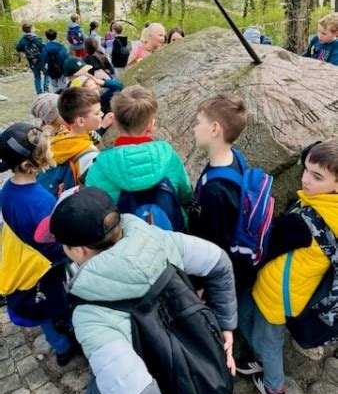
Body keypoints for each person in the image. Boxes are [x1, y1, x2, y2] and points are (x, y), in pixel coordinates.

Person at [45, 186, 237, 394]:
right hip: (196, 375)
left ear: (79, 250)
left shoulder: (91, 314)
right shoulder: (161, 239)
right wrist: (225, 325)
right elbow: (219, 263)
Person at [237, 139, 338, 394]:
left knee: (269, 339)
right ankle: (260, 357)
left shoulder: (303, 224)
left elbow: (267, 249)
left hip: (277, 294)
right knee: (244, 311)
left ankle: (275, 388)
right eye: (305, 169)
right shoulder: (330, 210)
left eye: (317, 177)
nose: (305, 179)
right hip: (295, 289)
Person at [0, 123, 74, 365]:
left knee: (43, 314)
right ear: (28, 164)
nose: (51, 151)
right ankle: (66, 344)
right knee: (52, 302)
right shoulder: (40, 201)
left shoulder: (7, 190)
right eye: (46, 150)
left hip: (25, 260)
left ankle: (59, 345)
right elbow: (52, 241)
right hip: (45, 266)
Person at [85, 85, 192, 226]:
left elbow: (94, 212)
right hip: (173, 235)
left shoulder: (98, 168)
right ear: (151, 124)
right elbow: (186, 195)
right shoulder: (169, 157)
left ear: (115, 122)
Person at [189, 95, 256, 292]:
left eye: (198, 122)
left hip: (218, 275)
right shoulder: (235, 156)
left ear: (215, 129)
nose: (194, 128)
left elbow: (214, 246)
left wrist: (202, 286)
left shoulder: (215, 191)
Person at [48, 88, 101, 188]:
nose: (101, 115)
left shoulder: (59, 139)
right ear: (80, 121)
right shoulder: (90, 155)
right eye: (97, 113)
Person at [16, 22, 49, 95]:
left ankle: (39, 93)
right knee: (47, 73)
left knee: (37, 76)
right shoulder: (37, 39)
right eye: (33, 27)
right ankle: (46, 89)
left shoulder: (22, 40)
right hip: (41, 59)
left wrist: (25, 51)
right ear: (31, 29)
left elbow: (18, 48)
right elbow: (44, 47)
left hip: (31, 60)